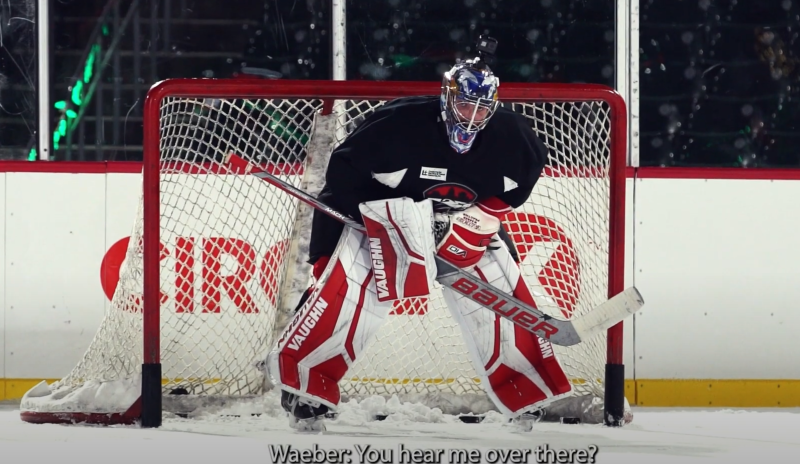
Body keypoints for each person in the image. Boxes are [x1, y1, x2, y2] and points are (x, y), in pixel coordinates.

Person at [264, 48, 573, 430]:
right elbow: (340, 183)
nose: (472, 117)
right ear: (447, 98)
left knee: (499, 287)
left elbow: (518, 187)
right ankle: (306, 391)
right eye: (464, 106)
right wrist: (338, 253)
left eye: (481, 108)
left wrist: (483, 218)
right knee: (346, 293)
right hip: (379, 212)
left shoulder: (513, 137)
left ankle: (526, 389)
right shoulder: (395, 126)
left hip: (460, 217)